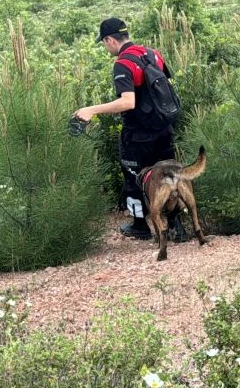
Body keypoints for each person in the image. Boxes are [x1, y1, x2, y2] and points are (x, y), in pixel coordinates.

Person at [74, 17, 183, 241]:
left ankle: (139, 226)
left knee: (133, 178)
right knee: (169, 176)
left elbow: (127, 102)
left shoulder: (123, 63)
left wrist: (91, 110)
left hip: (139, 134)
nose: (106, 47)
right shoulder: (152, 54)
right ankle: (176, 226)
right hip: (164, 128)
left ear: (110, 40)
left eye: (104, 43)